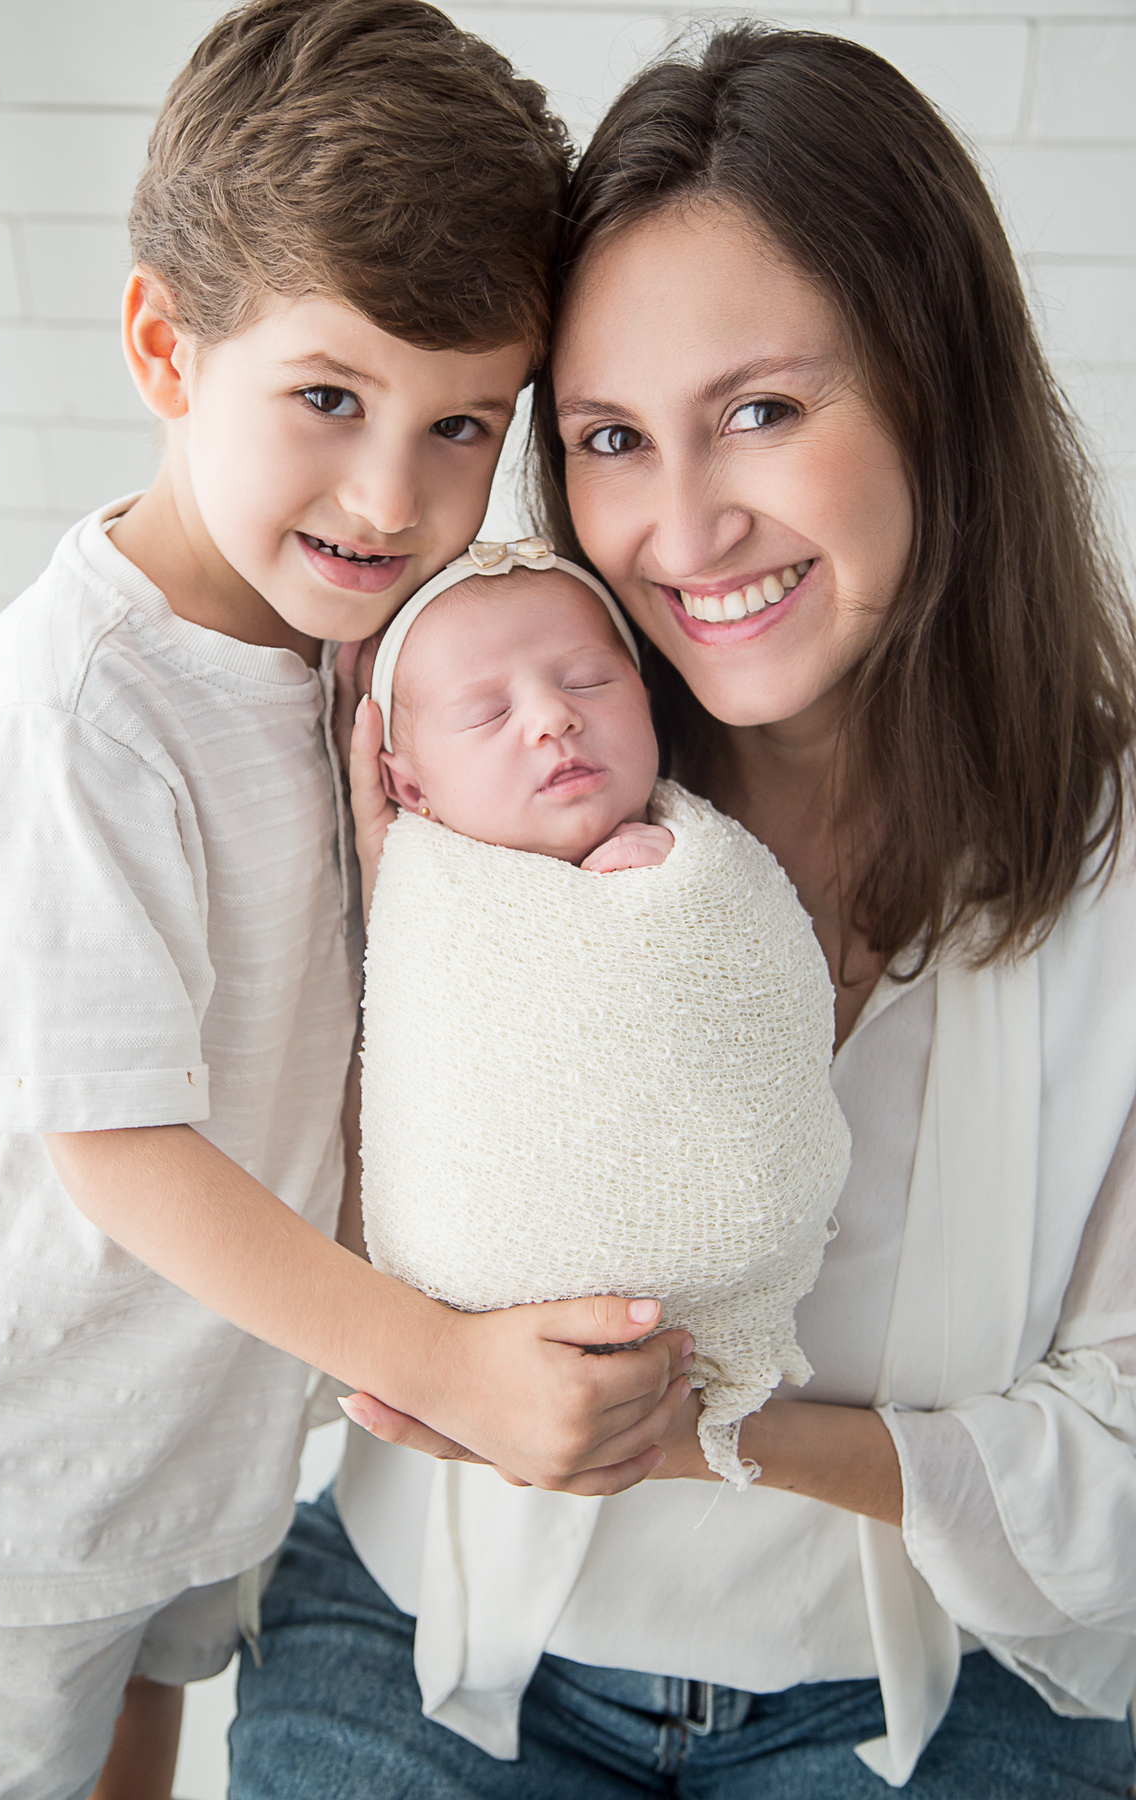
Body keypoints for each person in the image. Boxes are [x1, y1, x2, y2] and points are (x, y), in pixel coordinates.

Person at [231, 21, 1136, 1799]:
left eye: (763, 413)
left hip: (917, 1687)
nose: (686, 529)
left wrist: (707, 1433)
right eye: (612, 439)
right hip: (435, 1626)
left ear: (939, 390)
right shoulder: (454, 776)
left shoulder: (1107, 862)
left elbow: (1118, 1458)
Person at [0, 7, 695, 1799]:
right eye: (329, 399)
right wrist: (445, 1359)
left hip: (204, 1440)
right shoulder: (87, 699)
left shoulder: (348, 648)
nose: (390, 494)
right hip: (20, 1476)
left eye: (460, 423)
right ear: (165, 346)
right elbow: (115, 1147)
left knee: (145, 1742)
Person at [354, 540, 849, 1744]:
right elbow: (413, 1069)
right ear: (410, 786)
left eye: (587, 682)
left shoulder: (699, 859)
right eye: (487, 713)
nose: (551, 721)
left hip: (790, 1602)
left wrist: (672, 898)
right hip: (445, 1434)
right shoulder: (425, 886)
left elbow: (766, 1011)